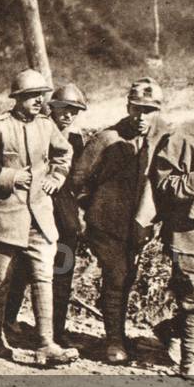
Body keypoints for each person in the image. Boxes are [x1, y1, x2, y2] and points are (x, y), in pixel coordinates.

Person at [0, 69, 78, 366]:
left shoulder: (46, 126)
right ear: (16, 99)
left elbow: (63, 154)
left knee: (44, 277)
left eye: (41, 96)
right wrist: (9, 176)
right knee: (0, 282)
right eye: (30, 96)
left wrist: (57, 176)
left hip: (40, 217)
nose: (37, 101)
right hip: (4, 217)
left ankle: (46, 344)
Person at [69, 78, 165, 363]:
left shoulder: (163, 140)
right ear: (128, 106)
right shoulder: (107, 139)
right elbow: (78, 180)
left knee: (128, 278)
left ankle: (119, 335)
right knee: (116, 276)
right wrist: (90, 213)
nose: (143, 117)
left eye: (150, 110)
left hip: (140, 226)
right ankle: (114, 341)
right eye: (138, 109)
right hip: (107, 224)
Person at [5, 83, 89, 347]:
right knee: (19, 270)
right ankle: (8, 320)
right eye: (63, 109)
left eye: (74, 111)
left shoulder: (76, 140)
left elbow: (79, 182)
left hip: (63, 221)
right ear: (51, 108)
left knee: (62, 273)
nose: (68, 115)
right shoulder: (36, 131)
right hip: (30, 212)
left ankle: (55, 330)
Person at [151, 72, 194, 377]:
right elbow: (165, 186)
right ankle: (190, 363)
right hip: (190, 235)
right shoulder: (184, 137)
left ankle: (170, 330)